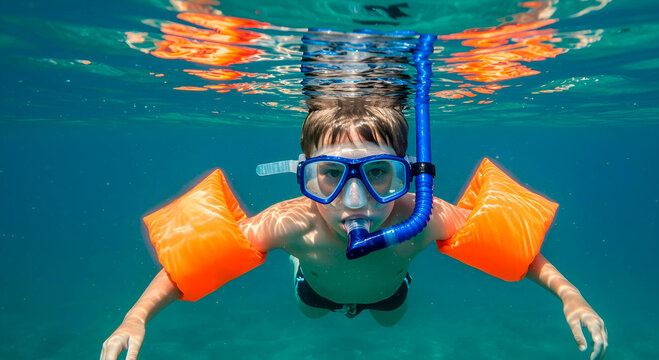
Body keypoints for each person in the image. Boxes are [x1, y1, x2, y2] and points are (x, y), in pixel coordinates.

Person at [100, 98, 607, 360]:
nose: (356, 201)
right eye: (331, 176)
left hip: (390, 294)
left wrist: (571, 296)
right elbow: (186, 268)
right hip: (313, 289)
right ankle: (300, 270)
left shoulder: (421, 216)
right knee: (314, 315)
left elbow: (515, 252)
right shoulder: (293, 222)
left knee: (388, 321)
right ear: (306, 176)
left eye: (379, 173)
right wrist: (135, 317)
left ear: (408, 175)